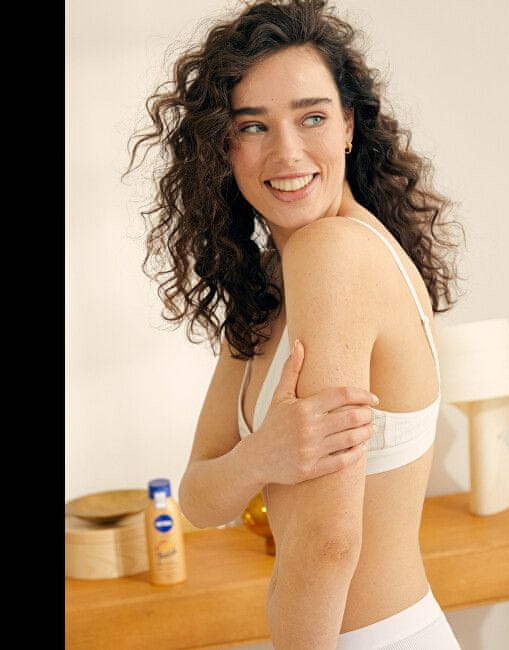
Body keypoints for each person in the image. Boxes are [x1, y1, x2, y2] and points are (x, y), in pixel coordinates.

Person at [123, 0, 465, 647]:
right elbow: (198, 496)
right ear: (223, 147)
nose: (286, 152)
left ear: (348, 126)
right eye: (253, 126)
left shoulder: (332, 253)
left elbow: (328, 543)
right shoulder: (274, 278)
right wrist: (261, 456)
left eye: (312, 117)